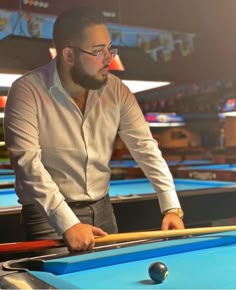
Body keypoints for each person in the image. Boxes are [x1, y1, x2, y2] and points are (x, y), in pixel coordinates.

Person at [4, 7, 184, 253]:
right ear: (68, 55)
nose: (108, 58)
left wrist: (171, 206)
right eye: (98, 51)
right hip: (47, 215)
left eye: (110, 49)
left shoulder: (117, 90)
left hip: (103, 208)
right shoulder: (26, 91)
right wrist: (67, 223)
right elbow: (28, 164)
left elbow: (145, 147)